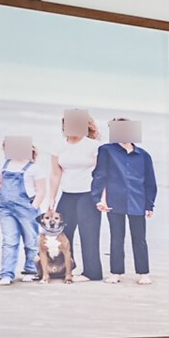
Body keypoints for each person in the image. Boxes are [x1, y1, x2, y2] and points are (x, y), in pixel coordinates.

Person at [96, 118, 158, 286]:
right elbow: (100, 175)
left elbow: (150, 181)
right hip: (114, 201)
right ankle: (116, 272)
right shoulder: (106, 150)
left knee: (139, 238)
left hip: (138, 200)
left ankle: (143, 273)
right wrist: (98, 198)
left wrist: (149, 204)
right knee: (116, 237)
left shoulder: (144, 155)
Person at [47, 108, 104, 282]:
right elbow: (56, 174)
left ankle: (92, 273)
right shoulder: (58, 146)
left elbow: (103, 174)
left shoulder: (95, 146)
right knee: (61, 234)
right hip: (68, 194)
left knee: (89, 234)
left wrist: (103, 198)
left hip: (88, 195)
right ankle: (65, 267)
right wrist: (52, 199)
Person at [0, 135, 46, 285]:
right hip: (5, 208)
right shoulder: (3, 165)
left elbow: (41, 191)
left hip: (27, 208)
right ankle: (7, 273)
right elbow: (0, 184)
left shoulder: (34, 168)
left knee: (31, 240)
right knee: (9, 240)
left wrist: (34, 207)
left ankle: (31, 270)